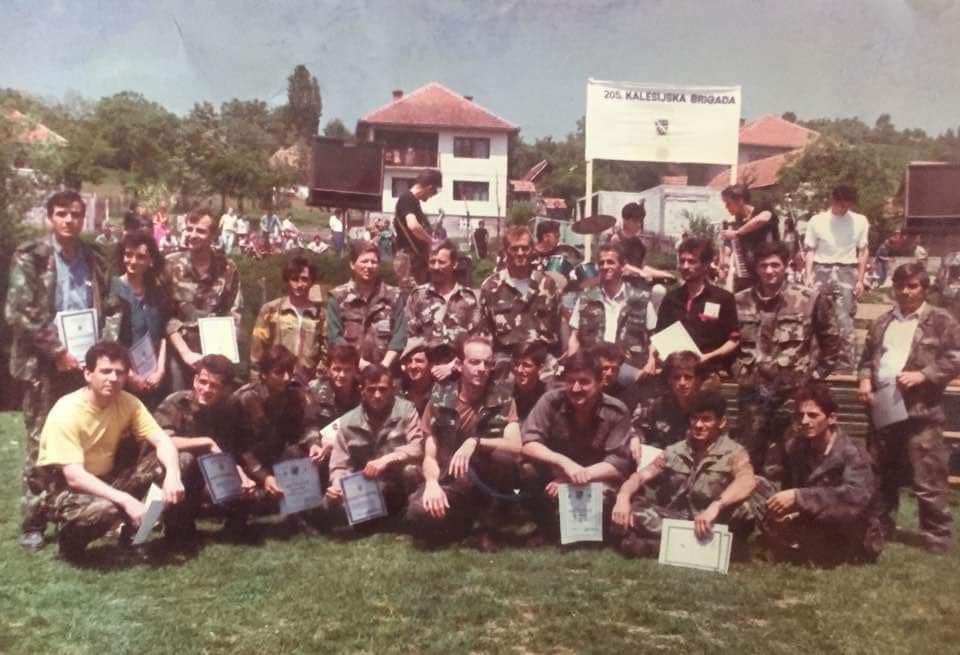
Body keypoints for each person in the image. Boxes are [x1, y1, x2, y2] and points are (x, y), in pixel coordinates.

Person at [6, 190, 118, 551]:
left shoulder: (94, 258)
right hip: (44, 366)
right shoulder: (31, 256)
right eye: (61, 214)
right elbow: (19, 311)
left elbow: (112, 307)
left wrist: (103, 355)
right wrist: (57, 352)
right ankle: (34, 522)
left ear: (83, 218)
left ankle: (76, 514)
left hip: (85, 365)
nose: (69, 220)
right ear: (50, 217)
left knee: (84, 439)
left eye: (75, 214)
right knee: (41, 440)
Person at [35, 342, 200, 561]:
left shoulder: (129, 403)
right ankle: (70, 541)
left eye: (119, 372)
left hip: (110, 479)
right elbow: (74, 476)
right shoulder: (66, 411)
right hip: (68, 491)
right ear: (88, 374)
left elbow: (163, 440)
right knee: (108, 508)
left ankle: (136, 536)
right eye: (105, 371)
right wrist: (125, 500)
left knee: (181, 460)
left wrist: (172, 475)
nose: (113, 378)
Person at [857, 262, 960, 553]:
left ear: (924, 288)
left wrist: (924, 375)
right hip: (884, 408)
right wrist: (864, 381)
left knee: (928, 475)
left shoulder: (941, 320)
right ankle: (880, 527)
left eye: (912, 286)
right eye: (900, 286)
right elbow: (866, 359)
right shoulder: (882, 322)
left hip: (921, 411)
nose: (905, 291)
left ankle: (936, 536)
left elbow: (956, 357)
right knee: (881, 473)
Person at [611, 390, 762, 558]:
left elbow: (747, 481)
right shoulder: (675, 451)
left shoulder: (735, 453)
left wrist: (716, 506)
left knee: (745, 510)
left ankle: (658, 546)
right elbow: (640, 477)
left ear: (721, 422)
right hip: (677, 519)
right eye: (694, 418)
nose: (698, 425)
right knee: (632, 508)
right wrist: (623, 497)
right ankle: (697, 546)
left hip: (715, 520)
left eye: (706, 419)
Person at [733, 240, 841, 471]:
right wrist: (738, 371)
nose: (769, 271)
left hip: (793, 394)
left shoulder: (809, 299)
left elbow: (832, 340)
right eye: (763, 266)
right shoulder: (739, 301)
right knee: (750, 456)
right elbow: (729, 342)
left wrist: (816, 376)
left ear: (786, 265)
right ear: (755, 268)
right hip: (753, 394)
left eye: (775, 265)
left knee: (794, 456)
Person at [407, 336, 521, 550]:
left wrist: (475, 442)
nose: (482, 369)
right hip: (451, 480)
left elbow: (516, 446)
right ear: (459, 365)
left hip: (486, 481)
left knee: (504, 458)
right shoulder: (439, 400)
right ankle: (465, 522)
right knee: (417, 513)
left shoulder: (503, 399)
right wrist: (432, 484)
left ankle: (489, 527)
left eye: (487, 363)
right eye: (475, 362)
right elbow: (429, 455)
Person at [760, 383, 883, 565]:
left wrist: (799, 498)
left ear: (831, 418)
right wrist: (788, 511)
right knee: (758, 487)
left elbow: (853, 499)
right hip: (813, 517)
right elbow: (787, 483)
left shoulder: (854, 453)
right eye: (800, 415)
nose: (804, 421)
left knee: (817, 547)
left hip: (852, 529)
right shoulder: (797, 447)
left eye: (813, 415)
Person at [520, 351, 635, 543]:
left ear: (600, 382)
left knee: (607, 507)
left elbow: (618, 464)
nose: (575, 388)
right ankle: (542, 525)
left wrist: (573, 478)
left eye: (584, 382)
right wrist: (564, 463)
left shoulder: (617, 410)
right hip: (556, 474)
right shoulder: (550, 401)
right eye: (570, 381)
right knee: (527, 470)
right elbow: (529, 444)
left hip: (598, 478)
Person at [230, 346, 328, 526]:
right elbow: (240, 448)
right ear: (264, 374)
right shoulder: (245, 399)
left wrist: (314, 443)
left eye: (289, 371)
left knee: (297, 453)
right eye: (279, 373)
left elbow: (309, 424)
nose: (286, 378)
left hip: (279, 459)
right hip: (249, 467)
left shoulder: (297, 393)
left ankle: (299, 515)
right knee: (241, 509)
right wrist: (264, 477)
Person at [325, 364, 424, 528]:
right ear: (362, 391)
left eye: (383, 389)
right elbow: (339, 465)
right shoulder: (348, 422)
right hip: (368, 487)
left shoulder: (406, 410)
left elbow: (417, 447)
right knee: (329, 507)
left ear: (392, 389)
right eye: (371, 390)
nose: (377, 395)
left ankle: (409, 516)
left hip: (399, 481)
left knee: (411, 470)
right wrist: (337, 485)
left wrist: (386, 460)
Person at [164, 208, 243, 391]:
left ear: (213, 235)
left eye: (200, 231)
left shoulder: (227, 268)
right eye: (189, 229)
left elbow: (234, 313)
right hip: (181, 352)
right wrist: (186, 354)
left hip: (216, 352)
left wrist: (222, 357)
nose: (192, 235)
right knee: (180, 401)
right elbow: (164, 316)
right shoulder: (170, 265)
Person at [479, 225, 562, 378]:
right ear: (505, 251)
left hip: (541, 362)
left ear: (532, 250)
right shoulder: (491, 287)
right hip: (505, 362)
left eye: (525, 248)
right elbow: (485, 332)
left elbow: (557, 327)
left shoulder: (547, 285)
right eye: (514, 248)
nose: (520, 253)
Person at [653, 236, 739, 378]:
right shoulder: (670, 299)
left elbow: (734, 340)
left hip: (709, 372)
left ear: (705, 265)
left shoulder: (723, 298)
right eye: (682, 261)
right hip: (676, 375)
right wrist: (652, 360)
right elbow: (659, 337)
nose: (685, 266)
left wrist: (708, 357)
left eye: (692, 261)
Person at [804, 186, 870, 371]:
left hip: (846, 270)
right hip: (821, 269)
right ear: (832, 200)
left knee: (845, 319)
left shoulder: (860, 221)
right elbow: (810, 250)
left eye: (847, 205)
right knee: (816, 316)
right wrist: (808, 275)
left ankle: (845, 366)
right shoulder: (817, 220)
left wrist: (860, 279)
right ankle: (815, 362)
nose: (844, 208)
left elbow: (863, 251)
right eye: (840, 204)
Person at [567, 242, 654, 372]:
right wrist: (573, 365)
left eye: (610, 262)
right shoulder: (586, 300)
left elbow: (653, 336)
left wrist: (651, 362)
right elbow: (574, 337)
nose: (605, 266)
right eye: (601, 263)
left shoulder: (642, 299)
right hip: (594, 370)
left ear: (622, 266)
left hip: (629, 369)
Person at [109, 232, 170, 408]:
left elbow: (163, 334)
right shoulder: (112, 290)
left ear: (151, 260)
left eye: (141, 256)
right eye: (128, 255)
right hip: (122, 377)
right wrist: (128, 374)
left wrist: (160, 370)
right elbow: (110, 340)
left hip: (153, 377)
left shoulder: (157, 292)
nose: (133, 261)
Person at [326, 241, 406, 370]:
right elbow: (335, 337)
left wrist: (383, 366)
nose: (369, 266)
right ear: (352, 264)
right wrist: (361, 364)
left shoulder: (394, 296)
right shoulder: (337, 297)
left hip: (386, 373)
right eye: (364, 261)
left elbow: (400, 335)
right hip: (350, 372)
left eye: (374, 262)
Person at [403, 239, 484, 367]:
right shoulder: (418, 296)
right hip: (424, 369)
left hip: (459, 370)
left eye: (441, 262)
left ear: (454, 264)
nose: (436, 267)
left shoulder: (468, 298)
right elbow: (408, 336)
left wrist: (453, 366)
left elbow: (475, 341)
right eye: (432, 262)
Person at [250, 256, 326, 383]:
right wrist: (257, 382)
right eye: (294, 279)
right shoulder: (270, 310)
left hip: (308, 383)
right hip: (276, 381)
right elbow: (257, 351)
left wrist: (319, 379)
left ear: (312, 281)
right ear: (287, 280)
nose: (299, 284)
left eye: (304, 279)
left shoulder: (320, 314)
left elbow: (326, 351)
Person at [630, 350, 703, 456]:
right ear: (669, 380)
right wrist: (635, 438)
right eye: (676, 377)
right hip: (659, 457)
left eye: (688, 377)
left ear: (697, 380)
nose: (682, 383)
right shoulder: (659, 405)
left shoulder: (707, 407)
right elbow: (640, 427)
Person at [720, 184, 778, 292]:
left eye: (728, 203)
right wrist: (723, 263)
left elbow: (763, 218)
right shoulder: (734, 222)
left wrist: (737, 233)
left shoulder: (761, 210)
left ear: (740, 200)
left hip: (768, 272)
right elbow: (728, 246)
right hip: (746, 273)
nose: (726, 207)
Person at [393, 169, 442, 287]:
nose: (431, 196)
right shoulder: (407, 199)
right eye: (434, 192)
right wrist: (431, 241)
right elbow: (413, 226)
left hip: (414, 260)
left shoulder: (413, 201)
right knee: (411, 295)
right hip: (409, 261)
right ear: (429, 188)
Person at [605, 201, 674, 282]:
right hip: (620, 282)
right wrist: (641, 273)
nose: (639, 224)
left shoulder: (638, 243)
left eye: (640, 221)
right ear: (625, 220)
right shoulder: (616, 240)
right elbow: (622, 266)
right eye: (635, 221)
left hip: (637, 281)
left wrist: (665, 274)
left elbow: (642, 267)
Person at [307, 344, 363, 427]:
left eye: (348, 370)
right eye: (337, 369)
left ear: (355, 371)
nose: (342, 375)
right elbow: (308, 424)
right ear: (328, 370)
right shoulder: (314, 390)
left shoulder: (364, 392)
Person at [396, 338, 434, 416]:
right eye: (409, 361)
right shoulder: (397, 388)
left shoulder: (438, 390)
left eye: (419, 361)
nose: (413, 366)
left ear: (430, 364)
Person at [512, 342, 548, 422]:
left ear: (540, 368)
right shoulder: (505, 394)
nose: (519, 370)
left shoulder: (547, 397)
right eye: (516, 364)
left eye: (526, 365)